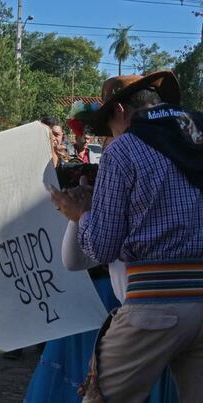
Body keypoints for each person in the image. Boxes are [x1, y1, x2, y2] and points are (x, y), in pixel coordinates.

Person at [50, 71, 203, 402]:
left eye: (110, 126)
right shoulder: (197, 138)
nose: (112, 136)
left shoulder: (125, 149)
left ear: (119, 111)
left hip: (155, 303)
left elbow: (102, 247)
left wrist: (80, 214)